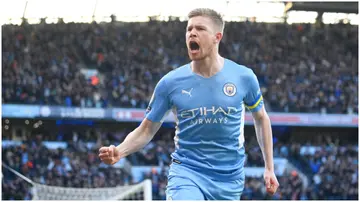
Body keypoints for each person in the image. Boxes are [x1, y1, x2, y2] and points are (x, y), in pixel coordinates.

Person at [99, 8, 279, 200]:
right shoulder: (170, 83)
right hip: (187, 173)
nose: (192, 33)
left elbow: (261, 119)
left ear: (217, 37)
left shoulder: (243, 77)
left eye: (200, 28)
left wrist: (269, 167)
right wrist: (120, 151)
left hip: (229, 179)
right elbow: (146, 130)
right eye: (189, 29)